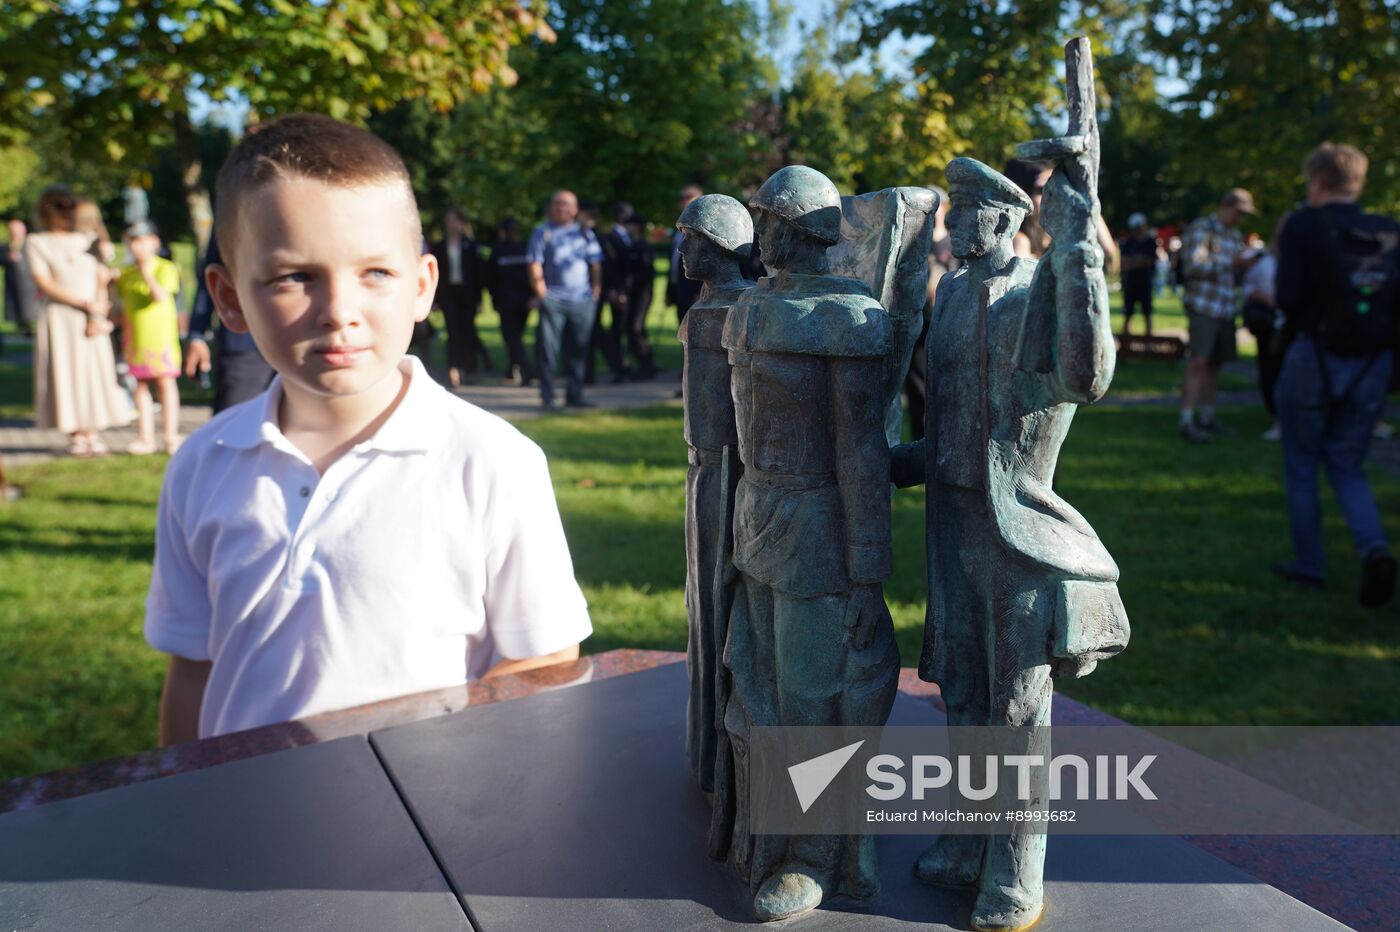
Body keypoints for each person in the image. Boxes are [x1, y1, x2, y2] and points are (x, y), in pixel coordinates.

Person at [145, 114, 591, 743]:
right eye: (294, 277)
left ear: (421, 285)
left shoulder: (492, 460)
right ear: (228, 299)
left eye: (375, 273)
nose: (338, 313)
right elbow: (193, 668)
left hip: (430, 822)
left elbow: (545, 658)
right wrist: (179, 801)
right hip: (237, 824)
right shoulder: (202, 462)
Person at [891, 136, 1127, 931]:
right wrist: (902, 462)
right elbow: (953, 416)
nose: (953, 229)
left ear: (1006, 219)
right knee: (962, 688)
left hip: (1017, 536)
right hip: (953, 524)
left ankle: (1016, 871)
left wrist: (1081, 254)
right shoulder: (952, 296)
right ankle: (966, 842)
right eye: (951, 216)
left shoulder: (1037, 289)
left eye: (967, 217)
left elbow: (1086, 374)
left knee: (1019, 706)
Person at [717, 166, 898, 922]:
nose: (761, 234)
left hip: (820, 528)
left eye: (768, 220)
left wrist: (867, 573)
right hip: (757, 515)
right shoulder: (754, 307)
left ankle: (815, 853)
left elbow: (862, 453)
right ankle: (774, 830)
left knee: (812, 699)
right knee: (758, 685)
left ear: (797, 229)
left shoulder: (846, 319)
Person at [1272, 142, 1397, 607]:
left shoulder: (1304, 225)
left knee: (1302, 465)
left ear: (1318, 180)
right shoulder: (1388, 230)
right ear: (1358, 181)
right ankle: (1375, 548)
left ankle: (1310, 566)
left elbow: (1287, 297)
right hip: (1370, 363)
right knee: (1347, 465)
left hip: (1314, 357)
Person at [673, 193, 753, 798]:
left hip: (727, 475)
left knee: (720, 610)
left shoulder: (734, 312)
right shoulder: (709, 305)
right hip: (704, 471)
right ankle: (708, 754)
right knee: (701, 609)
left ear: (723, 246)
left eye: (692, 238)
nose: (683, 249)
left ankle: (723, 757)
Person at [24, 186, 130, 456]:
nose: (66, 211)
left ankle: (93, 430)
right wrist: (81, 303)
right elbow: (43, 281)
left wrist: (96, 309)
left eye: (69, 205)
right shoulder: (37, 242)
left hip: (91, 314)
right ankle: (75, 433)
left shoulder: (88, 239)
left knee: (93, 371)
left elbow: (100, 275)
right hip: (61, 317)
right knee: (65, 371)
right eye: (59, 206)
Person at [1177, 187, 1261, 441]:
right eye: (1238, 212)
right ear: (1226, 206)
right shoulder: (1203, 229)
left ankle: (1207, 416)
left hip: (1225, 307)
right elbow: (1192, 265)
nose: (1240, 219)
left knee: (1215, 364)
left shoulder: (1233, 235)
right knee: (1198, 362)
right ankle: (1186, 419)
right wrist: (1231, 263)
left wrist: (1247, 266)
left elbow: (1232, 273)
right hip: (1204, 306)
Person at [526, 190, 603, 410]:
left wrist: (595, 292)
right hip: (554, 301)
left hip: (582, 300)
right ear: (551, 208)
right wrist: (542, 294)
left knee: (579, 350)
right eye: (559, 204)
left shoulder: (584, 233)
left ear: (575, 209)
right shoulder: (542, 232)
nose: (563, 208)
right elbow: (534, 264)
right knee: (548, 351)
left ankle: (575, 395)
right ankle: (548, 398)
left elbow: (596, 264)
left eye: (568, 205)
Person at [185, 232, 276, 412]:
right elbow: (210, 281)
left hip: (307, 340)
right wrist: (197, 333)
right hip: (246, 344)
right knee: (235, 421)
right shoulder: (235, 209)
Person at [115, 221, 183, 454]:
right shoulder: (126, 275)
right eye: (132, 242)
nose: (137, 247)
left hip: (161, 339)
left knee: (166, 384)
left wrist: (146, 273)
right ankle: (145, 438)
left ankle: (170, 436)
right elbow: (120, 307)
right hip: (136, 340)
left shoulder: (165, 268)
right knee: (140, 387)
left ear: (154, 242)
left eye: (142, 241)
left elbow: (161, 296)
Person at [431, 206, 491, 386]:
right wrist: (435, 299)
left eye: (455, 220)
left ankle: (467, 366)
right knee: (453, 331)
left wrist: (479, 299)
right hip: (449, 294)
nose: (452, 224)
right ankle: (454, 368)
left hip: (468, 295)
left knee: (467, 331)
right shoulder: (440, 246)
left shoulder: (471, 245)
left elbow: (478, 274)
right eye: (449, 220)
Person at [1241, 215, 1288, 440]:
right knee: (1270, 369)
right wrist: (1263, 297)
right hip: (1268, 323)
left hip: (1293, 324)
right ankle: (1277, 418)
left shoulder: (1303, 258)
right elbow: (1248, 288)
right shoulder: (1265, 259)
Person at [486, 217, 534, 385]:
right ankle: (512, 370)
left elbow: (490, 279)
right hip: (520, 301)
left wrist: (494, 300)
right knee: (515, 337)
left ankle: (527, 370)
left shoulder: (499, 251)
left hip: (508, 301)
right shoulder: (525, 249)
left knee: (512, 337)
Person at [595, 202, 635, 384]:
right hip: (613, 290)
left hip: (622, 290)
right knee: (613, 331)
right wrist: (616, 290)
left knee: (620, 329)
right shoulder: (610, 237)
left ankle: (622, 367)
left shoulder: (623, 236)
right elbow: (611, 266)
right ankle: (619, 367)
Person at [620, 213, 657, 379]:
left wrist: (631, 280)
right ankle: (644, 363)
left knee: (636, 327)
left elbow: (647, 271)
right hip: (633, 293)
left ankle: (646, 364)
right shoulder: (633, 245)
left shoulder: (643, 246)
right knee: (633, 328)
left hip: (642, 293)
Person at [667, 184, 704, 324]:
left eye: (688, 197)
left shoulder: (702, 228)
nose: (684, 201)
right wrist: (669, 291)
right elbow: (673, 263)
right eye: (682, 198)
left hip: (695, 293)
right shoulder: (678, 229)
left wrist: (701, 290)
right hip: (679, 291)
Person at [1119, 212, 1157, 337]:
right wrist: (1139, 261)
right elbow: (1124, 262)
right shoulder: (1129, 242)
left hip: (1145, 281)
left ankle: (1149, 338)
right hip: (1130, 282)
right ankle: (1126, 339)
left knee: (1147, 313)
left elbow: (1149, 261)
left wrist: (1134, 261)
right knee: (1127, 313)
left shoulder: (1150, 242)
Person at [2, 218, 37, 335]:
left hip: (29, 281)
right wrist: (8, 257)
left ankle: (30, 328)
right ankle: (21, 328)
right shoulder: (5, 247)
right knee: (15, 305)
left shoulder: (30, 244)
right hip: (13, 280)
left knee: (29, 306)